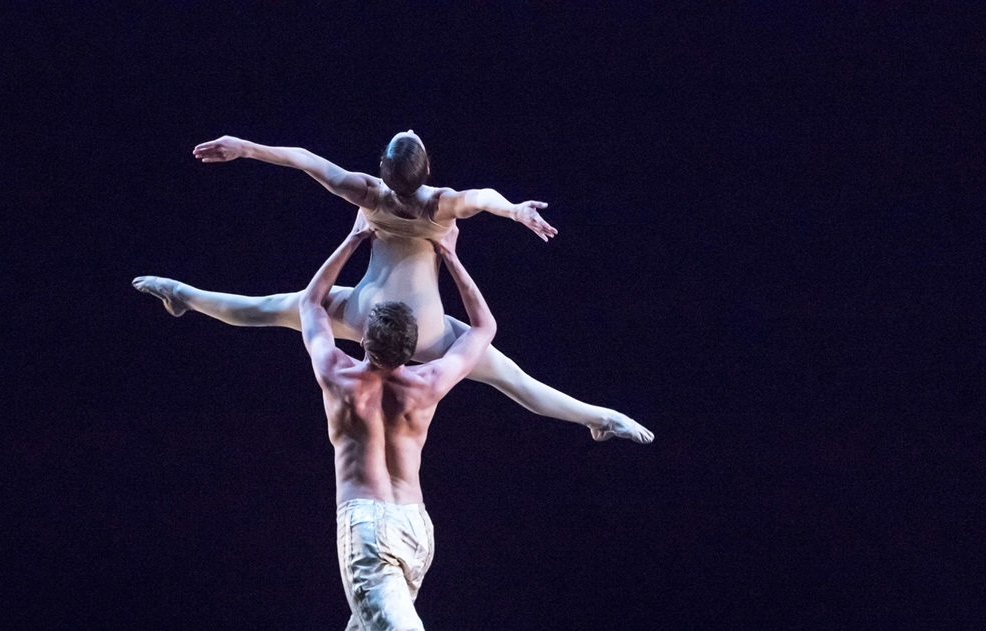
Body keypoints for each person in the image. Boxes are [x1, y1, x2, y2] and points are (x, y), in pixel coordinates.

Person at [133, 131, 652, 443]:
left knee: (272, 308)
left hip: (364, 312)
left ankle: (183, 296)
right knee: (514, 379)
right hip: (427, 331)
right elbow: (482, 197)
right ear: (428, 171)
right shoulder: (441, 204)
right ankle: (600, 418)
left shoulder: (366, 192)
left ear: (382, 169)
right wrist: (514, 210)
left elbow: (304, 158)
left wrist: (244, 148)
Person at [244, 219, 500, 631]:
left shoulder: (339, 374)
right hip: (416, 532)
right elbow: (484, 329)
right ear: (413, 347)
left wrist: (356, 238)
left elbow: (309, 304)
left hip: (367, 534)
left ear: (363, 340)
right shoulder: (427, 383)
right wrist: (449, 256)